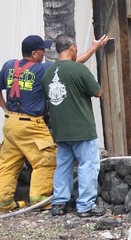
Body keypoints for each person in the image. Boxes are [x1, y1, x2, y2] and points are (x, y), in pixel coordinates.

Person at [0, 34, 108, 212]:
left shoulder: (9, 65)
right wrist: (94, 48)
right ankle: (42, 201)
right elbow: (70, 64)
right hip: (30, 124)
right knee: (47, 160)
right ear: (34, 53)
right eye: (42, 50)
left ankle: (3, 204)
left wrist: (6, 109)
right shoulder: (42, 69)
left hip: (10, 123)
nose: (44, 53)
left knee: (7, 164)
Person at [41, 35, 108, 217]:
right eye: (76, 48)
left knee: (63, 166)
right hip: (82, 128)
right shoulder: (79, 70)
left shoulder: (48, 72)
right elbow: (98, 92)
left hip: (60, 130)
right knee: (88, 165)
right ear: (72, 48)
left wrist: (94, 48)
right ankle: (85, 205)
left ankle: (59, 203)